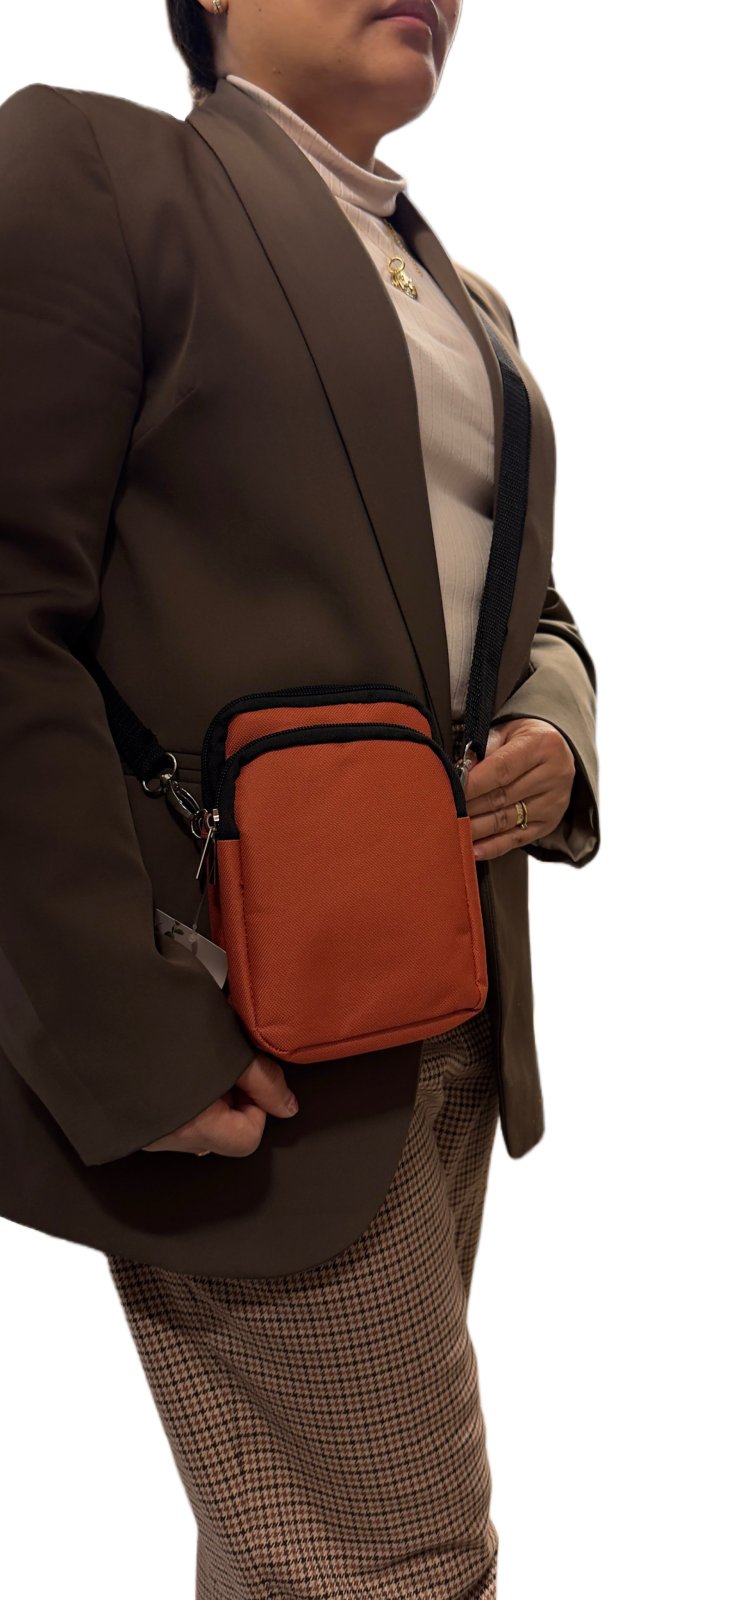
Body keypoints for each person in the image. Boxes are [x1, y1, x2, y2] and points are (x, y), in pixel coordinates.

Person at [0, 1, 600, 1594]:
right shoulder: (95, 171)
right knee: (399, 1561)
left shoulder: (467, 297)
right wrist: (127, 1041)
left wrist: (555, 727)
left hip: (442, 987)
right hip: (241, 1025)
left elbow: (526, 611)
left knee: (292, 1554)